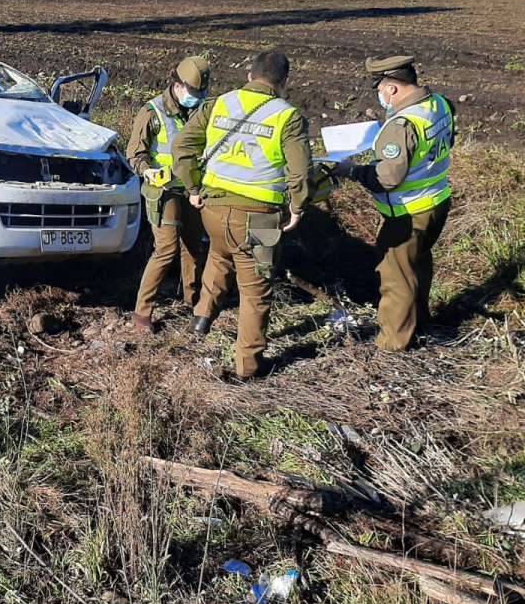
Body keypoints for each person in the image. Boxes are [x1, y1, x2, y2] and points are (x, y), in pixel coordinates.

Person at [171, 51, 312, 379]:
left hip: (214, 209)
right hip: (259, 217)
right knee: (256, 289)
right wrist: (298, 207)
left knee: (219, 258)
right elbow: (300, 174)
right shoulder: (288, 117)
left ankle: (201, 318)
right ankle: (248, 367)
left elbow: (181, 148)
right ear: (283, 82)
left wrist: (193, 188)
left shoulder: (219, 104)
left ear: (250, 75)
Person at [332, 55, 455, 352]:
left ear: (393, 89)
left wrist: (351, 170)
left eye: (380, 89)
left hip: (408, 213)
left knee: (395, 276)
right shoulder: (439, 103)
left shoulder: (402, 124)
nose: (380, 96)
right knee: (418, 263)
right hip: (437, 201)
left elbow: (387, 179)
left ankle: (393, 344)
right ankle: (421, 322)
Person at [127, 56, 211, 334]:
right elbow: (135, 154)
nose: (197, 98)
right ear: (177, 86)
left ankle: (193, 302)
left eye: (202, 94)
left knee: (194, 247)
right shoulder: (152, 112)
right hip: (162, 190)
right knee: (166, 249)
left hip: (192, 188)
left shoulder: (202, 110)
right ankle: (142, 313)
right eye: (194, 92)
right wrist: (147, 171)